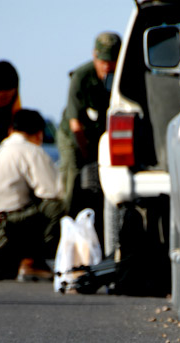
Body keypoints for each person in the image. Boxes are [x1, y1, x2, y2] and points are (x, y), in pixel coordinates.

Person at [0, 109, 65, 281]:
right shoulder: (31, 150)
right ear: (39, 134)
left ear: (11, 130)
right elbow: (53, 192)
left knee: (24, 209)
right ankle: (30, 262)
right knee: (55, 206)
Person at [56, 32, 121, 218]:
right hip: (74, 136)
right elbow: (75, 123)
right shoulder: (81, 77)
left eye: (111, 61)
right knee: (73, 176)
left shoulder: (122, 75)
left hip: (100, 136)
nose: (107, 66)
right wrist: (86, 154)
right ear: (94, 55)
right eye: (102, 61)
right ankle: (67, 223)